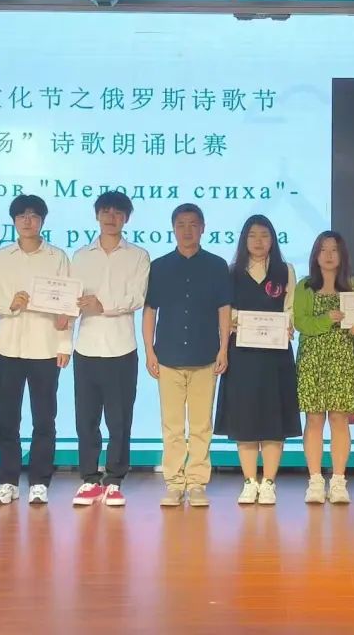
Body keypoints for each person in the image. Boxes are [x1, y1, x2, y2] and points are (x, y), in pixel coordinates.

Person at [0, 194, 73, 506]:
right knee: (7, 419)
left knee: (44, 419)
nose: (27, 221)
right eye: (21, 215)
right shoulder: (0, 258)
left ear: (42, 221)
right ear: (13, 220)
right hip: (7, 348)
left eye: (34, 215)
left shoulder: (57, 257)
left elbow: (67, 306)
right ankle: (8, 480)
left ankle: (39, 481)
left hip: (45, 347)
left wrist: (65, 345)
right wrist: (11, 304)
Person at [143, 203, 232, 508]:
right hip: (167, 355)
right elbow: (150, 310)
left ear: (203, 228)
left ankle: (196, 482)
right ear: (173, 228)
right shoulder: (160, 266)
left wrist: (223, 348)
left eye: (193, 224)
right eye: (181, 224)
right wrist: (149, 350)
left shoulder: (217, 265)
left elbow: (224, 309)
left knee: (201, 425)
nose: (187, 230)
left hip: (205, 355)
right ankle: (174, 482)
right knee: (172, 425)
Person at [68, 191, 150, 509]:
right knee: (86, 420)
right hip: (86, 347)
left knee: (119, 421)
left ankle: (114, 480)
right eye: (105, 211)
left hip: (121, 348)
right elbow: (70, 300)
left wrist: (103, 306)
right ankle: (89, 479)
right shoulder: (80, 256)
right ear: (97, 215)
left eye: (117, 213)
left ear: (126, 218)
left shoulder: (138, 256)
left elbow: (137, 297)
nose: (111, 217)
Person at [216, 215, 302, 506]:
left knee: (273, 419)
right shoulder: (231, 272)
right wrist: (241, 320)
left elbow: (290, 308)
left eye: (264, 235)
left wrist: (287, 324)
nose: (258, 241)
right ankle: (249, 481)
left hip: (275, 355)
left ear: (273, 239)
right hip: (242, 355)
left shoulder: (285, 270)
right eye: (252, 235)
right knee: (246, 419)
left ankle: (269, 482)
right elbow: (225, 312)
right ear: (244, 239)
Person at [294, 231, 354, 505]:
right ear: (315, 255)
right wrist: (326, 319)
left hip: (341, 357)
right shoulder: (305, 285)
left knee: (339, 419)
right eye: (323, 250)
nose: (329, 255)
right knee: (314, 419)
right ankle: (315, 480)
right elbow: (300, 322)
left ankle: (339, 480)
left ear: (342, 254)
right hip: (312, 358)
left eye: (334, 250)